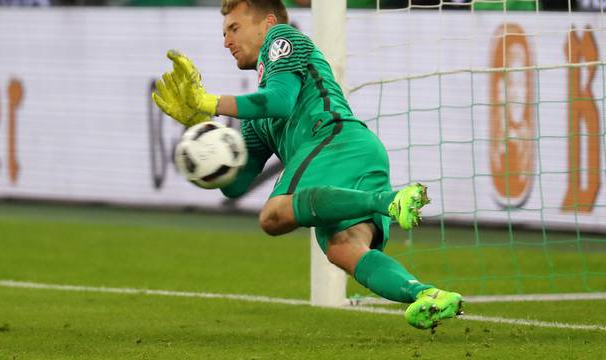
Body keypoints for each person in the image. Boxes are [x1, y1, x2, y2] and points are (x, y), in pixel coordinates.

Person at [152, 0, 462, 330]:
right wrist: (200, 134)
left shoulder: (283, 37)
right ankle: (428, 295)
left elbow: (281, 100)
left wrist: (210, 102)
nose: (226, 41)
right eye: (224, 32)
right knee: (344, 248)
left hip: (334, 139)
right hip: (357, 155)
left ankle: (388, 202)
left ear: (267, 23)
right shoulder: (258, 123)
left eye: (234, 28)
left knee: (273, 215)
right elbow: (237, 185)